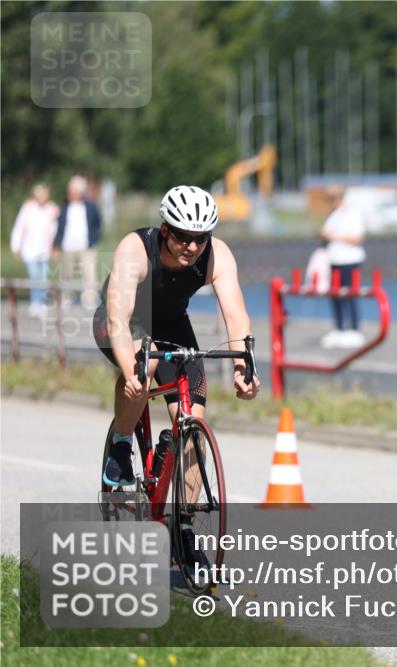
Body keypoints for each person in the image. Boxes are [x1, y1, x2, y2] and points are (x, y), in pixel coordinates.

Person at [92, 185, 259, 568]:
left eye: (200, 238)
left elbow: (236, 315)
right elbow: (119, 320)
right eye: (182, 236)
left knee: (193, 424)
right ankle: (120, 444)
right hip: (125, 322)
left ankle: (182, 531)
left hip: (172, 325)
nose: (191, 246)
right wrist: (131, 371)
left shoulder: (217, 255)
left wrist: (243, 367)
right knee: (144, 366)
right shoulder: (135, 249)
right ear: (166, 229)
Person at [319, 185, 366, 348]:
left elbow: (357, 238)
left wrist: (333, 236)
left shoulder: (352, 214)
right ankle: (339, 328)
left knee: (350, 294)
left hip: (350, 260)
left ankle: (354, 329)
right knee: (335, 295)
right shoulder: (333, 215)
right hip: (334, 260)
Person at [53, 175, 102, 307]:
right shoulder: (65, 206)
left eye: (74, 190)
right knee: (66, 274)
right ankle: (66, 299)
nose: (71, 192)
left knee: (89, 274)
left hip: (87, 246)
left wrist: (94, 239)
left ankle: (90, 300)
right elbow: (60, 226)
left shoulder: (90, 206)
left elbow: (97, 223)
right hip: (68, 246)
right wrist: (56, 244)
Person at [10, 183, 58, 317]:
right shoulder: (28, 208)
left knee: (43, 277)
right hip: (30, 249)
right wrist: (16, 246)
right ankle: (35, 302)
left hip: (44, 249)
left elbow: (54, 229)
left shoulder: (51, 209)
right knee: (34, 276)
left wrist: (55, 247)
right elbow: (19, 227)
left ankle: (41, 303)